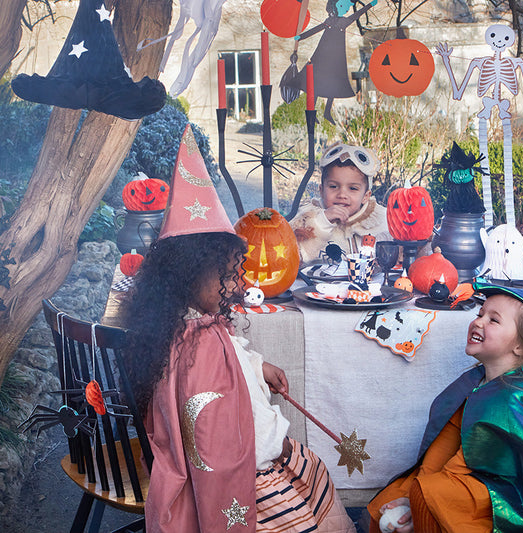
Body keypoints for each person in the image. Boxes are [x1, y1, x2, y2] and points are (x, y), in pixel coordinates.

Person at [122, 125, 355, 532]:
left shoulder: (177, 327)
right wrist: (281, 446)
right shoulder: (203, 345)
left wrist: (258, 366)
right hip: (244, 477)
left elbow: (230, 368)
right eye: (228, 275)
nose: (238, 285)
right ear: (188, 274)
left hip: (195, 466)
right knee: (307, 484)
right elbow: (236, 424)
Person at [366, 280, 523, 533]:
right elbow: (443, 446)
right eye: (480, 314)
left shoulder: (509, 400)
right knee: (399, 493)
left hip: (505, 499)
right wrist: (412, 491)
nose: (479, 322)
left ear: (522, 346)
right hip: (474, 478)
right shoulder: (476, 381)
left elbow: (467, 470)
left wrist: (418, 501)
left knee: (429, 494)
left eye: (494, 320)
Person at [291, 142, 391, 264]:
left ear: (365, 196)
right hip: (320, 276)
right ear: (321, 191)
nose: (342, 195)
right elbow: (293, 255)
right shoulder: (308, 218)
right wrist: (323, 222)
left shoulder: (381, 220)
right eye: (333, 186)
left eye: (353, 188)